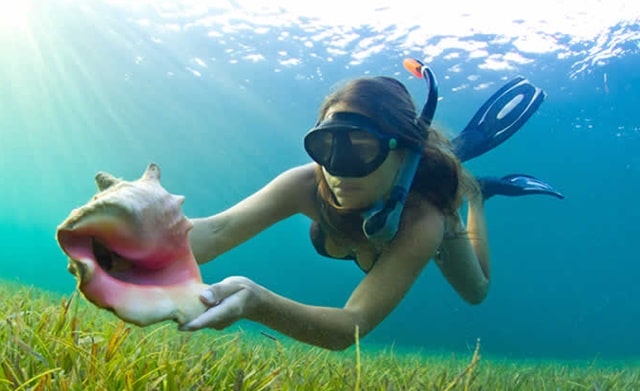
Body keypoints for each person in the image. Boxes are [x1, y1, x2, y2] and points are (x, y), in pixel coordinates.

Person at [179, 60, 563, 350]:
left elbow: (352, 324)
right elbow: (214, 231)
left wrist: (256, 301)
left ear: (402, 154)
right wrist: (132, 222)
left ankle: (477, 194)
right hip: (360, 232)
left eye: (361, 148)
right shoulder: (306, 181)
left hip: (424, 207)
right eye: (327, 146)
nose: (339, 170)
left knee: (476, 292)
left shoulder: (424, 218)